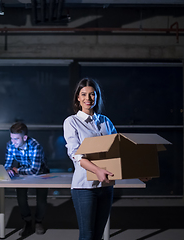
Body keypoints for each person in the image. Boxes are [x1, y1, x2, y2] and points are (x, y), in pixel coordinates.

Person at [63, 77, 117, 240]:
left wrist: (138, 172)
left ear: (97, 97)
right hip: (84, 187)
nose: (88, 98)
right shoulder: (72, 122)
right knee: (87, 236)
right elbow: (76, 154)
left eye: (92, 94)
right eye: (84, 94)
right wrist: (97, 170)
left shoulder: (105, 122)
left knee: (98, 236)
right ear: (78, 98)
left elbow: (118, 151)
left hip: (106, 186)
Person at [4, 122, 49, 236]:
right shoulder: (10, 145)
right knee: (21, 197)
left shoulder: (35, 146)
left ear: (24, 137)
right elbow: (8, 163)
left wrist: (17, 170)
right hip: (21, 169)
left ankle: (38, 221)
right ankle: (27, 221)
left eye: (16, 139)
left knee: (41, 199)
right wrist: (8, 169)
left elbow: (35, 170)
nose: (13, 142)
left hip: (41, 172)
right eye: (11, 138)